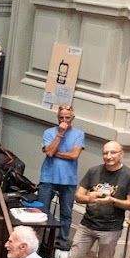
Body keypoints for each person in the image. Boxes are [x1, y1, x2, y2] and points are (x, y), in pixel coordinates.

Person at [62, 140, 130, 258]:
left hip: (111, 228)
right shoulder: (93, 171)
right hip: (87, 224)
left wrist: (112, 200)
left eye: (113, 152)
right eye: (105, 153)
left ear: (121, 154)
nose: (108, 156)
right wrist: (90, 198)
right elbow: (78, 196)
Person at [37, 105, 84, 250]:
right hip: (48, 178)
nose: (64, 120)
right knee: (42, 212)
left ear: (73, 118)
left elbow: (74, 155)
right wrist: (60, 134)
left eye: (67, 118)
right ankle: (38, 241)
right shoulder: (49, 132)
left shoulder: (79, 134)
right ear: (57, 118)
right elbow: (50, 153)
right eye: (61, 118)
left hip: (68, 180)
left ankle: (62, 242)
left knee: (66, 213)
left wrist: (55, 152)